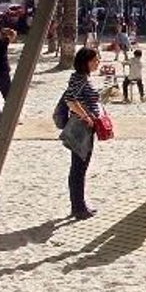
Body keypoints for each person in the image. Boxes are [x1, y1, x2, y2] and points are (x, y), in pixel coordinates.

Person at [60, 46, 103, 217]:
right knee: (79, 167)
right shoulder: (80, 79)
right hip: (81, 128)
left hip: (85, 126)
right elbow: (70, 100)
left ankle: (79, 204)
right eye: (94, 60)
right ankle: (78, 207)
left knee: (80, 167)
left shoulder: (82, 77)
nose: (97, 62)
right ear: (86, 62)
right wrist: (86, 116)